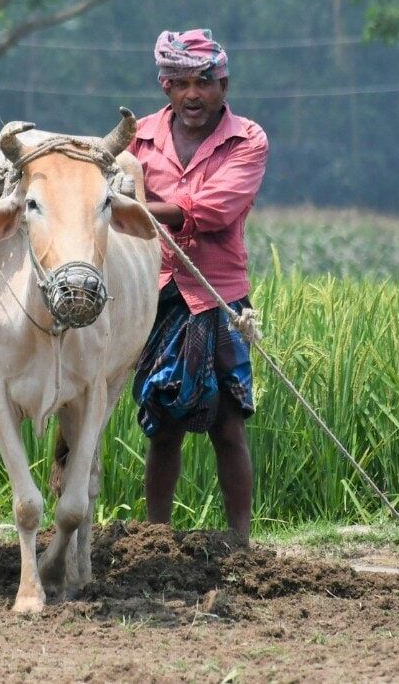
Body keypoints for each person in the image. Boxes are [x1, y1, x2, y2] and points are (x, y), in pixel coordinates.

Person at [128, 28, 269, 543]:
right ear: (165, 86)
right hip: (156, 291)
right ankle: (156, 537)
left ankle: (240, 541)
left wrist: (130, 207)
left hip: (218, 295)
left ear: (223, 86)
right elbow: (103, 183)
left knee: (228, 426)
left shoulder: (246, 140)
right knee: (162, 424)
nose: (193, 94)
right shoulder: (137, 138)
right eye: (181, 83)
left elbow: (214, 209)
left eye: (204, 82)